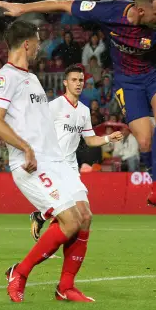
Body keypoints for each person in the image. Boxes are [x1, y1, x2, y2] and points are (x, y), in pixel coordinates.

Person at [0, 0, 156, 241]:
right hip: (128, 82)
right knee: (144, 141)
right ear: (140, 11)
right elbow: (64, 4)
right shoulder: (109, 11)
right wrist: (23, 9)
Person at [0, 21, 89, 302]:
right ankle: (19, 273)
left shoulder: (31, 78)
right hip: (30, 163)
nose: (41, 46)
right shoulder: (5, 77)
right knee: (69, 222)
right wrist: (25, 148)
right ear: (27, 44)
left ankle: (65, 287)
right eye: (38, 40)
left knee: (85, 217)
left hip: (55, 162)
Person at [29, 64, 124, 241]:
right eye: (74, 80)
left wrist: (107, 138)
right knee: (66, 212)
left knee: (84, 215)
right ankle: (45, 231)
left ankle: (41, 217)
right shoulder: (54, 106)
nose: (78, 83)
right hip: (51, 165)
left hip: (71, 168)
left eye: (81, 80)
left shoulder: (84, 111)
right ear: (66, 83)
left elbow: (89, 140)